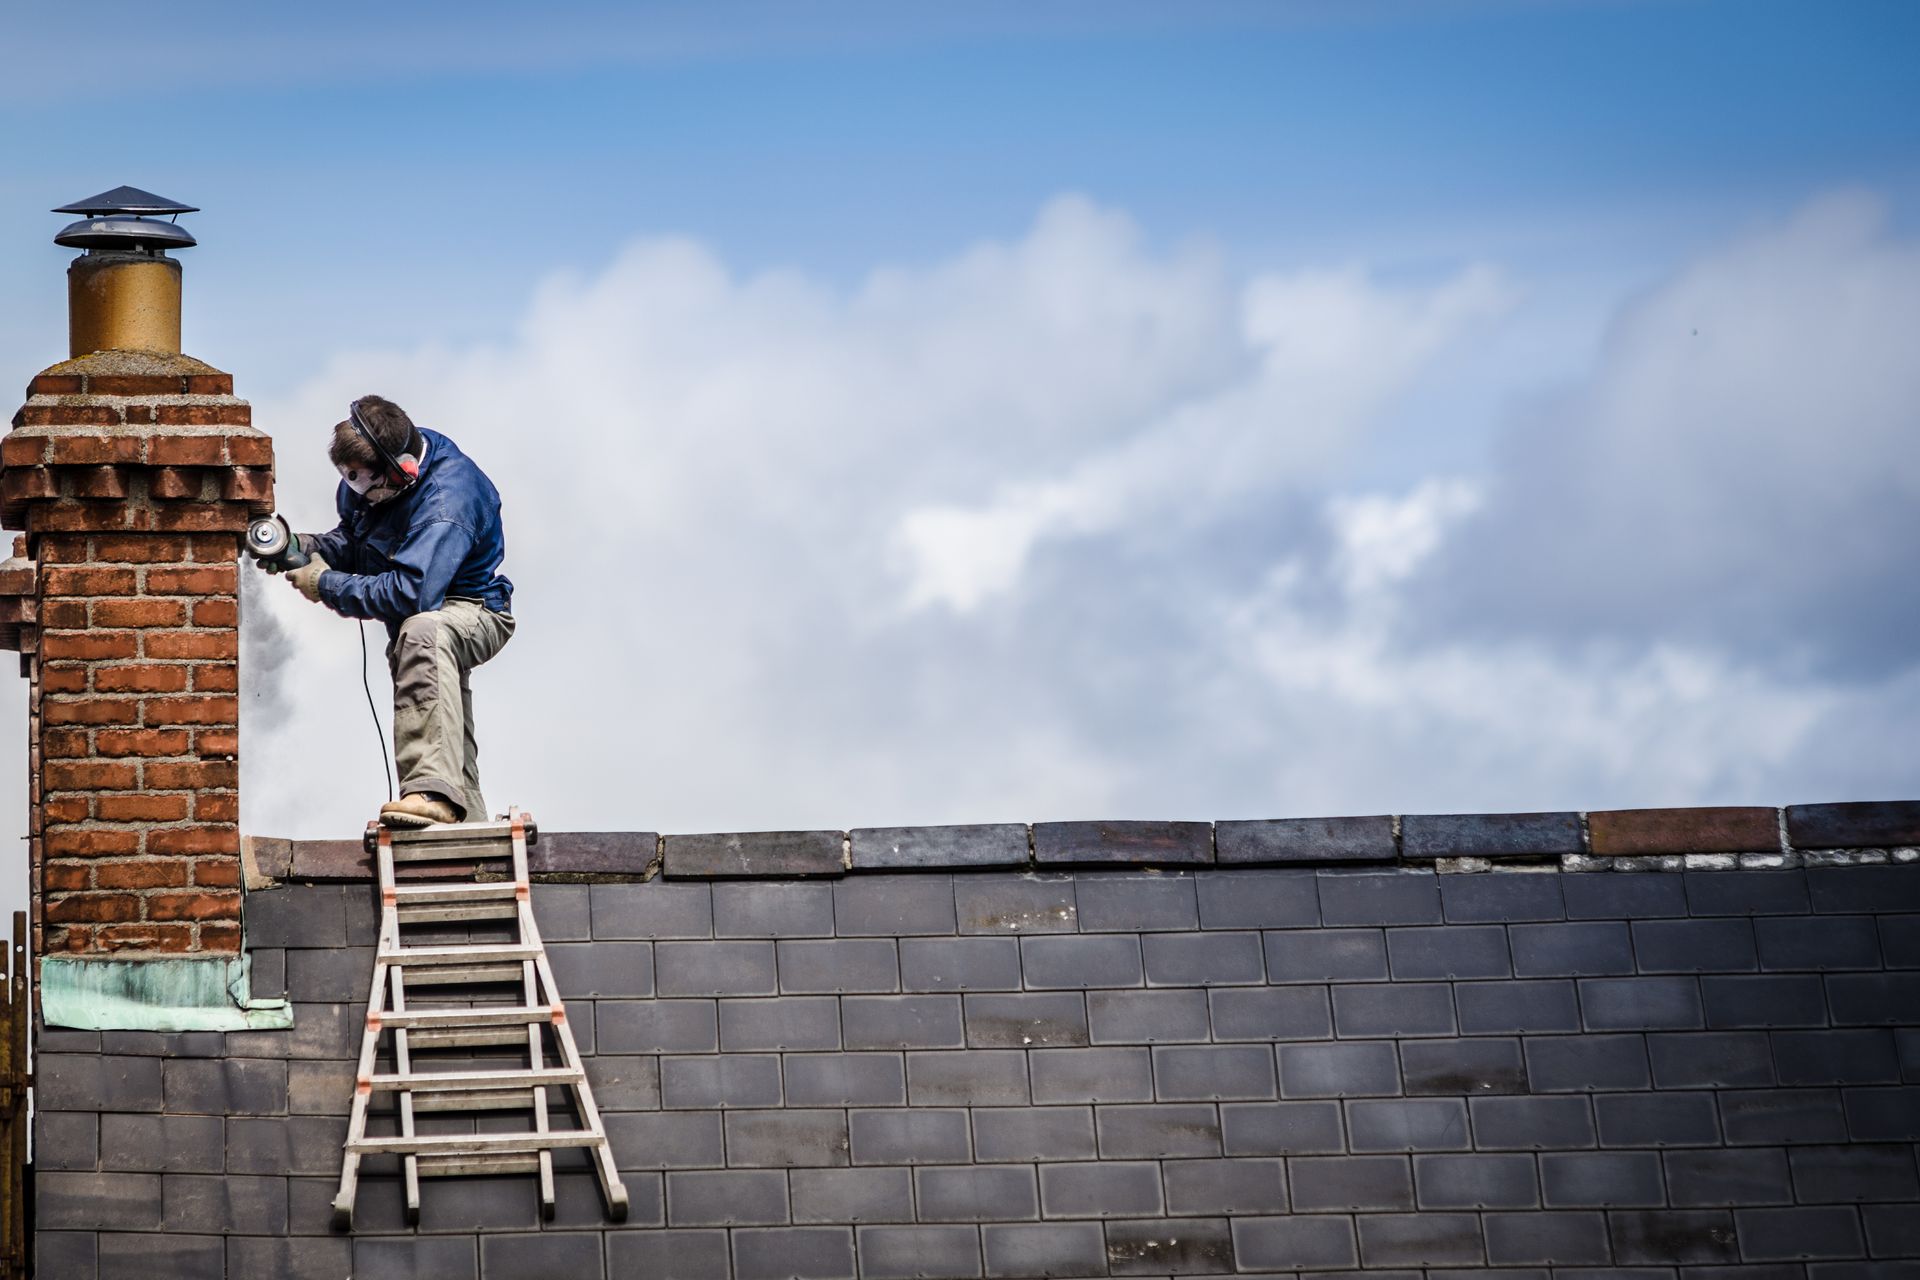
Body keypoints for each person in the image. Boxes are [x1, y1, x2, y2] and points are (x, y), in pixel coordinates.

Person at [280, 395, 515, 828]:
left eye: (365, 483)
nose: (357, 493)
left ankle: (429, 794)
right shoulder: (371, 480)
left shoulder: (449, 501)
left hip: (474, 609)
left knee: (425, 632)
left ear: (403, 470)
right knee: (443, 723)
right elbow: (355, 541)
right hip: (422, 620)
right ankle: (468, 824)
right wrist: (304, 548)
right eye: (349, 480)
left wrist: (325, 584)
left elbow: (412, 594)